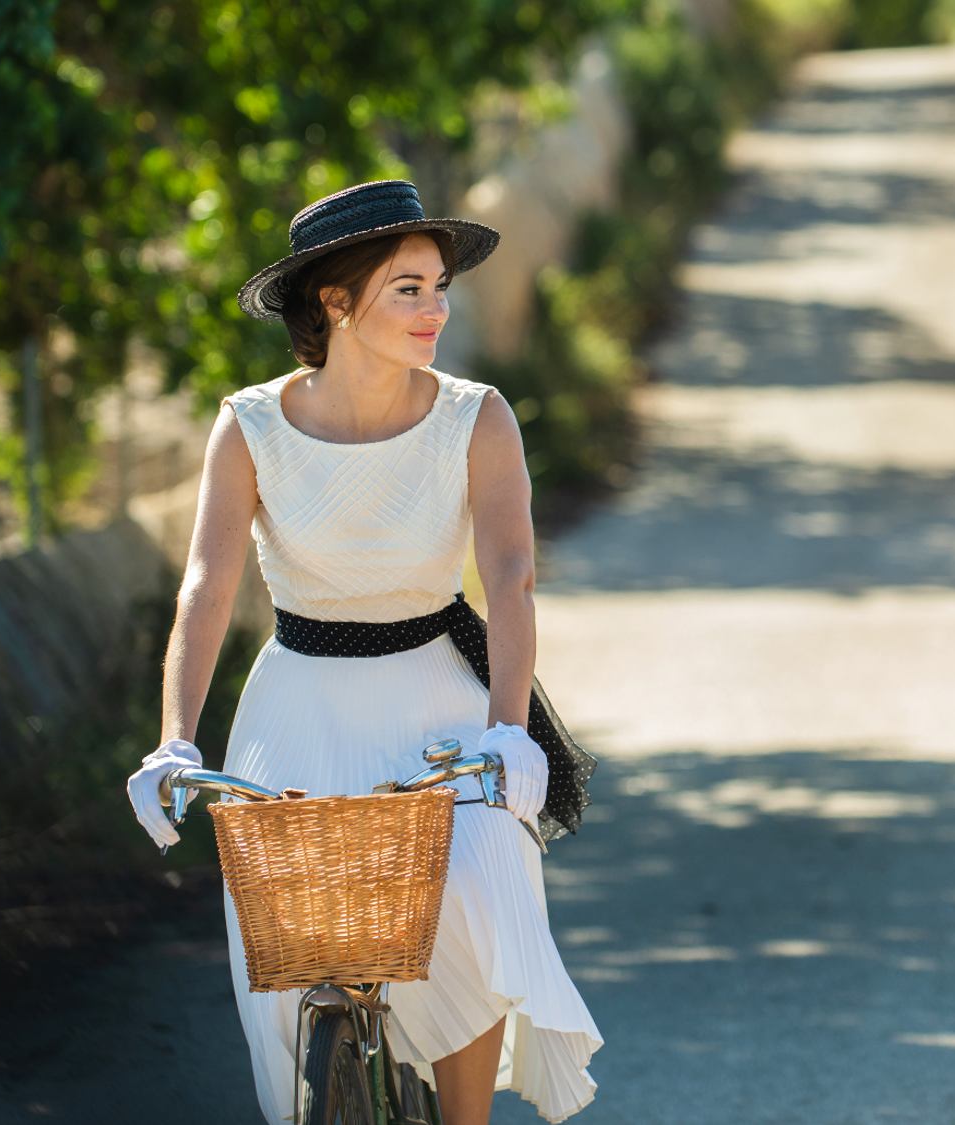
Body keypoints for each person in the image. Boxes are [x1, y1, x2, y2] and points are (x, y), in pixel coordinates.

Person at [122, 180, 601, 1125]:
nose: (437, 310)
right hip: (295, 703)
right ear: (336, 303)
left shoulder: (478, 415)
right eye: (408, 290)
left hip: (437, 703)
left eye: (438, 286)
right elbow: (208, 589)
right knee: (291, 943)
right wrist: (175, 738)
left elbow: (509, 578)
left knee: (471, 896)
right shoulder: (251, 424)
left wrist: (510, 732)